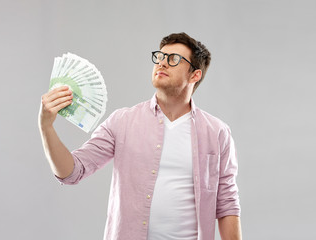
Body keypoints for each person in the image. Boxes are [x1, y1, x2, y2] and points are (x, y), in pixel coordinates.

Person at [38, 32, 242, 240]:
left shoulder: (217, 132)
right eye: (160, 57)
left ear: (194, 75)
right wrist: (47, 127)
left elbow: (226, 203)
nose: (162, 63)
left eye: (173, 59)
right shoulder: (122, 121)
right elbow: (72, 172)